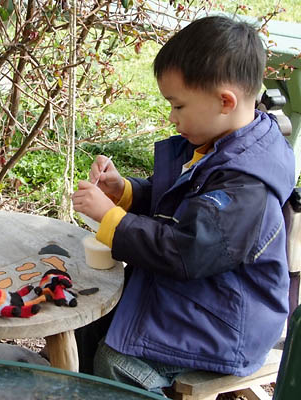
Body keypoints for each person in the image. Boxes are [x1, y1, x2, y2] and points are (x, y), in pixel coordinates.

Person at [72, 15, 295, 394]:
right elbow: (179, 200)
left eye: (178, 106)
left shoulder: (247, 185)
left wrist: (110, 219)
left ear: (225, 101)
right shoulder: (219, 142)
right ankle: (82, 386)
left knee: (117, 363)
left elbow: (185, 250)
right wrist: (125, 194)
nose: (172, 118)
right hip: (200, 296)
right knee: (89, 317)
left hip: (226, 323)